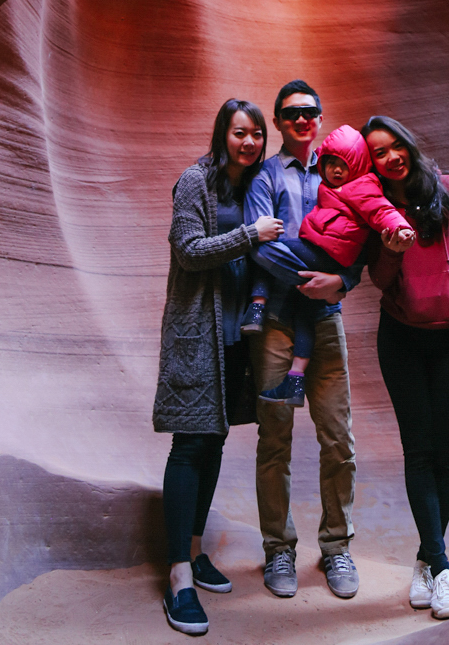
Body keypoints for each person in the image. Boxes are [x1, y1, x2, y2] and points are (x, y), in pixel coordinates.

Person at [152, 99, 282, 636]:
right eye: (239, 133)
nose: (249, 142)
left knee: (216, 441)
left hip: (236, 337)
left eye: (256, 134)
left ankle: (196, 550)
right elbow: (187, 249)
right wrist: (249, 236)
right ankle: (178, 575)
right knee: (190, 445)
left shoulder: (253, 186)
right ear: (221, 134)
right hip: (195, 335)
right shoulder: (194, 181)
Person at [363, 115, 449, 621]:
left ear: (409, 147)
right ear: (370, 163)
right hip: (401, 340)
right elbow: (377, 278)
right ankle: (442, 569)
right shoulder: (376, 208)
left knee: (445, 452)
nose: (391, 156)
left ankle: (426, 560)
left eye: (396, 146)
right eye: (379, 152)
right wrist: (393, 251)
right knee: (418, 451)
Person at [244, 81, 361, 600]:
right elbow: (258, 246)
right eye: (291, 114)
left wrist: (344, 280)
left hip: (327, 319)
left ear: (320, 117)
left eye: (310, 112)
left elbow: (360, 238)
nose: (303, 120)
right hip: (278, 324)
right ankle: (279, 549)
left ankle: (336, 547)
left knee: (338, 439)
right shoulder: (266, 176)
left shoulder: (343, 171)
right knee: (275, 441)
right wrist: (316, 274)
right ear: (278, 121)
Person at [243, 124, 415, 406]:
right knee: (305, 314)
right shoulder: (325, 184)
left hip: (324, 253)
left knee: (267, 247)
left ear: (357, 165)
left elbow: (382, 210)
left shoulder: (362, 185)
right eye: (330, 163)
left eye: (343, 165)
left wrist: (400, 227)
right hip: (323, 253)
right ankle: (295, 381)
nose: (335, 170)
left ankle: (257, 304)